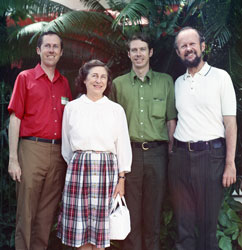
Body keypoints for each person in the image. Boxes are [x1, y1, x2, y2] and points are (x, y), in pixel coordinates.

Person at [169, 26, 237, 250]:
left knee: (208, 226)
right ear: (178, 52)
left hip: (211, 157)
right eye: (183, 46)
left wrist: (229, 164)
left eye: (192, 44)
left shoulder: (220, 77)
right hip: (180, 158)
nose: (188, 49)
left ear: (202, 46)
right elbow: (175, 120)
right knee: (183, 224)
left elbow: (230, 124)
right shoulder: (177, 83)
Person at [110, 34, 177, 250]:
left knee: (153, 214)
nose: (138, 54)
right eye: (134, 50)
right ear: (128, 54)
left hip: (157, 155)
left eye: (142, 49)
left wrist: (171, 153)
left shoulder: (165, 82)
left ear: (151, 53)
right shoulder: (118, 84)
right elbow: (111, 122)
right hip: (129, 155)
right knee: (131, 214)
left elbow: (171, 120)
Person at [57, 59, 132, 250]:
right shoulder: (72, 108)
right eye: (94, 76)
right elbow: (66, 147)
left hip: (107, 172)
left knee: (100, 233)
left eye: (103, 77)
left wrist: (121, 179)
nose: (99, 81)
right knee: (81, 232)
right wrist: (80, 164)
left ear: (107, 82)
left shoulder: (116, 110)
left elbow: (123, 145)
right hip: (79, 171)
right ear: (84, 79)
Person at [8, 31, 72, 250]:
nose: (51, 50)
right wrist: (13, 159)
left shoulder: (65, 84)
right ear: (38, 50)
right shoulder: (25, 78)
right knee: (26, 212)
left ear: (61, 52)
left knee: (46, 215)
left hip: (58, 154)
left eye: (56, 47)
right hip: (31, 149)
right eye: (47, 46)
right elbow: (15, 118)